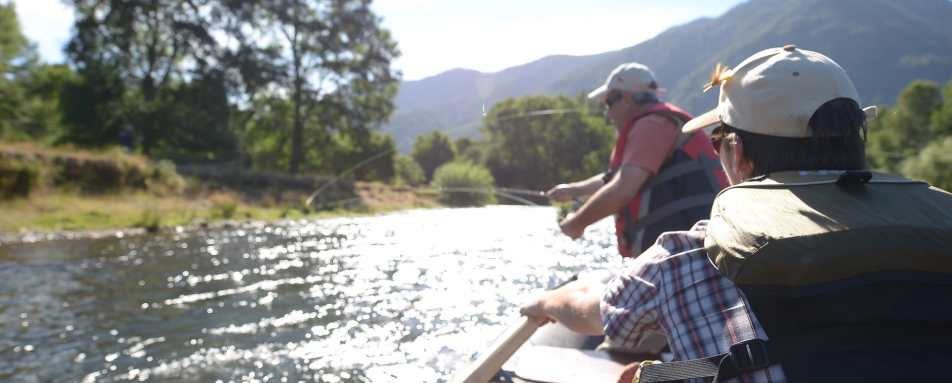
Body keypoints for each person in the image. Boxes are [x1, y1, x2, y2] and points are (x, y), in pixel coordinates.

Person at [523, 45, 952, 382]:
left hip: (654, 301)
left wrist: (546, 301)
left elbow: (590, 310)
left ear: (737, 152)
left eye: (718, 142)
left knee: (649, 375)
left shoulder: (685, 256)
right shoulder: (939, 232)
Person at [547, 62, 726, 258]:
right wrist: (573, 190)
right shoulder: (656, 123)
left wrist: (576, 224)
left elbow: (623, 188)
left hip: (689, 254)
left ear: (625, 99)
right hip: (695, 249)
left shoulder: (651, 125)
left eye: (609, 103)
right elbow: (614, 179)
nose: (607, 114)